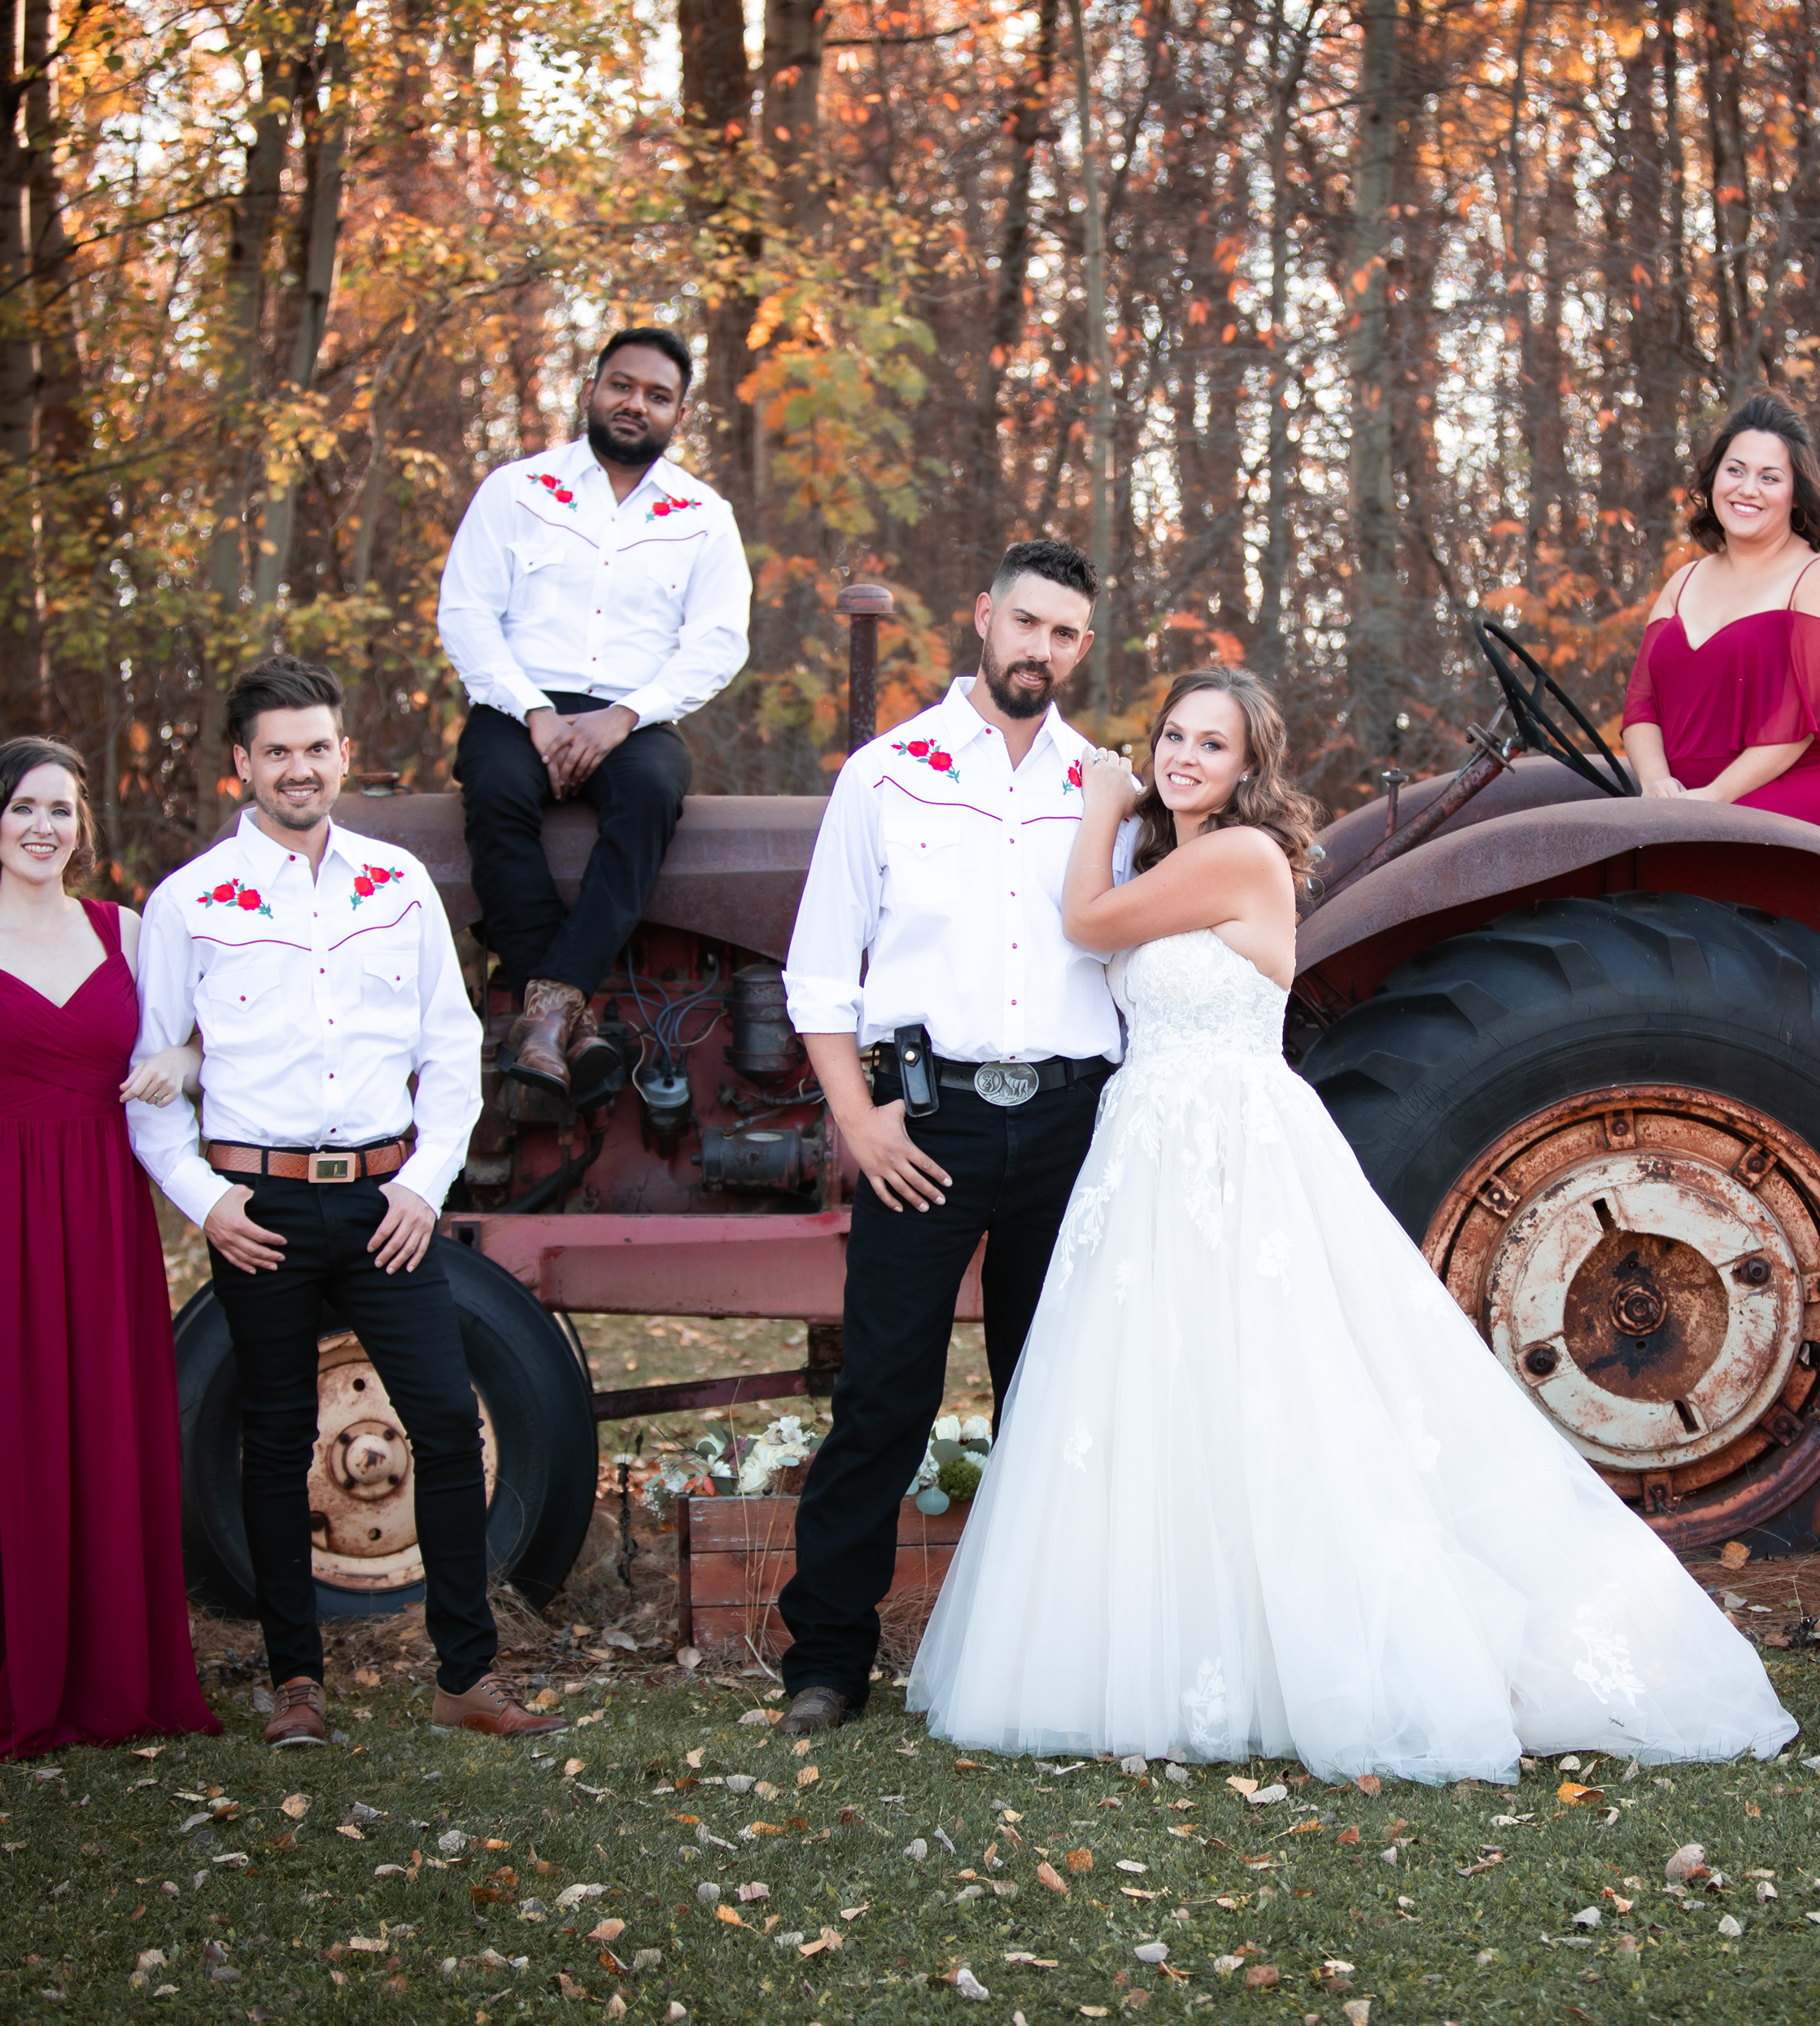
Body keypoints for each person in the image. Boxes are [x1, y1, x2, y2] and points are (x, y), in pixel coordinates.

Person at [908, 668, 1800, 1780]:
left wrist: (1099, 799)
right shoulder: (1169, 862)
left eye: (1212, 744)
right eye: (1173, 735)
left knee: (1274, 1386)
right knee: (1165, 1393)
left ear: (1246, 771)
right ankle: (1183, 1647)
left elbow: (1084, 923)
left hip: (1229, 1137)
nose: (1183, 756)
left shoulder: (1234, 856)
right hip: (1150, 1143)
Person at [130, 657, 565, 1745]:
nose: (298, 768)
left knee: (446, 1429)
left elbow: (452, 1048)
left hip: (385, 1203)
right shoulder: (188, 903)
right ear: (242, 763)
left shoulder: (396, 884)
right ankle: (296, 1683)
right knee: (275, 1440)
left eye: (316, 747)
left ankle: (465, 1673)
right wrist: (201, 1199)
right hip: (258, 1207)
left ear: (342, 755)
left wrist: (423, 1182)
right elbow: (147, 1082)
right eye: (276, 750)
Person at [770, 539, 1121, 1736]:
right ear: (982, 617)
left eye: (1066, 633)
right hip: (925, 1119)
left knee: (1057, 1395)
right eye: (1026, 623)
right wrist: (859, 1121)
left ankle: (1061, 1654)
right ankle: (826, 1656)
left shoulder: (1108, 785)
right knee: (884, 1393)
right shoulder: (888, 774)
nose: (1042, 649)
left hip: (1075, 1124)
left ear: (1084, 646)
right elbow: (819, 972)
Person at [0, 739, 220, 1757]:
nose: (45, 827)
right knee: (2, 1435)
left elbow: (215, 1036)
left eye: (64, 810)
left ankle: (109, 1670)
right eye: (26, 807)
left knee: (103, 1431)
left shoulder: (127, 933)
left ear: (85, 828)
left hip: (101, 1215)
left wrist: (181, 1055)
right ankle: (1, 1667)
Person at [437, 325, 749, 1098]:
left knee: (650, 794)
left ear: (679, 413)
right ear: (592, 390)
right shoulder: (518, 490)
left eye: (656, 395)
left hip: (634, 719)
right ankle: (564, 1019)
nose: (634, 404)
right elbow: (466, 615)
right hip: (518, 704)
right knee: (497, 790)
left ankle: (542, 1018)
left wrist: (624, 716)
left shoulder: (703, 515)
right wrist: (537, 713)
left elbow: (718, 642)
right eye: (622, 385)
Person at [1620, 391, 1820, 840]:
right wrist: (1655, 783)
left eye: (1770, 477)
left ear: (1796, 496)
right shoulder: (1682, 581)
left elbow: (1799, 719)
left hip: (1801, 786)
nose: (1747, 489)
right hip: (1694, 798)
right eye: (1736, 470)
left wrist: (1714, 799)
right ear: (1714, 480)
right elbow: (1641, 703)